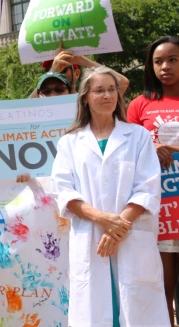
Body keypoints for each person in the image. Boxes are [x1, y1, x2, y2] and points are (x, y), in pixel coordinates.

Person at [51, 67, 168, 326]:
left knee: (137, 310)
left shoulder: (138, 136)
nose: (107, 95)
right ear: (85, 97)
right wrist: (102, 219)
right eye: (99, 90)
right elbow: (63, 190)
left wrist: (117, 229)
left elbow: (147, 188)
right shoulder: (69, 142)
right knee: (94, 309)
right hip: (91, 236)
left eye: (112, 89)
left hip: (131, 236)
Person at [127, 35, 179, 321]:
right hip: (161, 207)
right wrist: (150, 145)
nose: (165, 67)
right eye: (158, 61)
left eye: (173, 59)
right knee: (164, 284)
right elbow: (127, 147)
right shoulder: (139, 105)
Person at [31, 42, 129, 97]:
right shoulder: (43, 100)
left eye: (62, 67)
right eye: (50, 69)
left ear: (76, 73)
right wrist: (52, 72)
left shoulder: (87, 101)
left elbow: (122, 83)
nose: (57, 73)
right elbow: (25, 107)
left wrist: (81, 60)